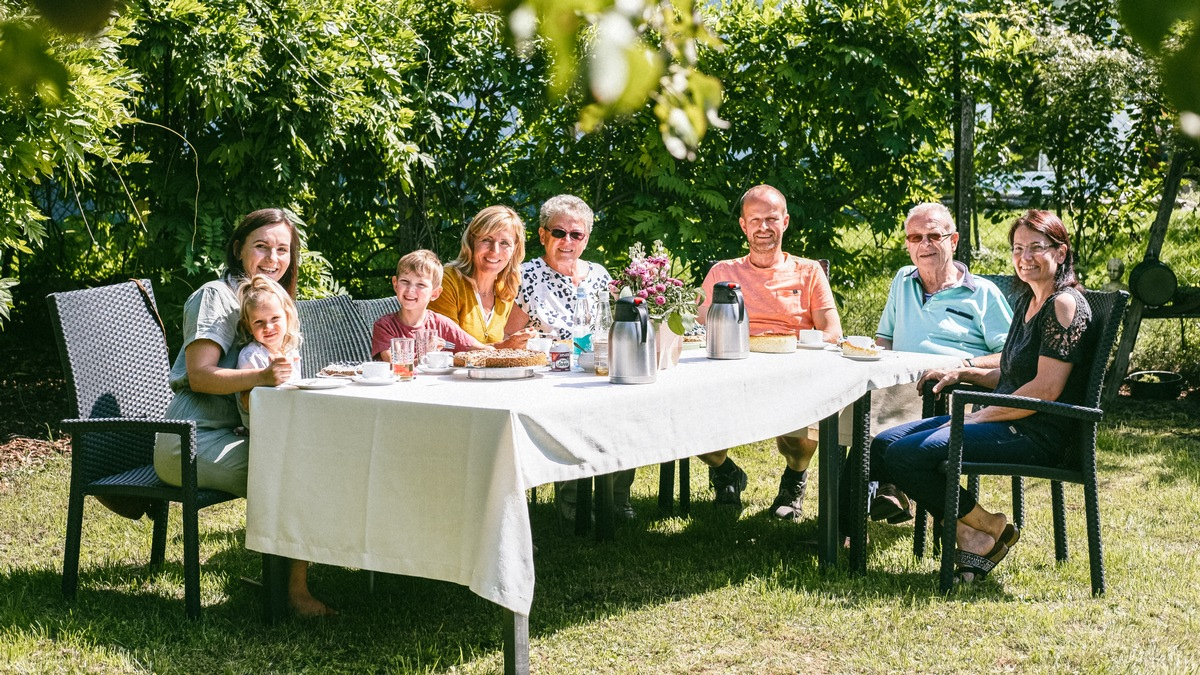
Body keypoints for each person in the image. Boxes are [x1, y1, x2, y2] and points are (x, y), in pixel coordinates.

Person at [875, 209, 1092, 583]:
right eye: (1018, 248)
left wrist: (981, 415)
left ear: (1060, 252)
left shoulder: (1063, 304)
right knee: (882, 444)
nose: (1025, 257)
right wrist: (964, 371)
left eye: (1036, 248)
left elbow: (1045, 389)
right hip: (1012, 419)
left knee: (905, 456)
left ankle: (980, 532)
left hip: (1037, 434)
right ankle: (981, 528)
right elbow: (1012, 374)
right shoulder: (1029, 301)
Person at [152, 208, 333, 617]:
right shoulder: (216, 295)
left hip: (237, 433)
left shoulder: (270, 303)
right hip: (191, 439)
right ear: (238, 249)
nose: (273, 258)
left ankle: (297, 574)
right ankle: (292, 592)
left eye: (282, 249)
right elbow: (199, 376)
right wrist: (262, 378)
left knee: (322, 454)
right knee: (298, 468)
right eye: (262, 246)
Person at [696, 184, 842, 520]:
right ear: (743, 226)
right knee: (693, 428)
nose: (764, 227)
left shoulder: (808, 271)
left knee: (798, 442)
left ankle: (793, 480)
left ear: (786, 222)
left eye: (772, 219)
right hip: (728, 374)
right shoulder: (722, 273)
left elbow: (833, 332)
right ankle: (726, 471)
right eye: (756, 219)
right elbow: (697, 329)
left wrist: (798, 349)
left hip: (791, 375)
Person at [865, 202, 1013, 523]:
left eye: (934, 235)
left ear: (954, 240)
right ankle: (882, 494)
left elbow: (1010, 357)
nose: (925, 245)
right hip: (896, 387)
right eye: (915, 237)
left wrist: (961, 366)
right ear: (907, 244)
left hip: (948, 395)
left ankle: (850, 524)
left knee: (870, 418)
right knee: (854, 406)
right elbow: (884, 340)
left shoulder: (983, 293)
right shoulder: (902, 280)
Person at [504, 194, 636, 521]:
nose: (567, 241)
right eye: (559, 233)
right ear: (542, 235)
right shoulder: (525, 276)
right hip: (551, 378)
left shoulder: (600, 275)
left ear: (586, 239)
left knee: (631, 406)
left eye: (576, 234)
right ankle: (573, 496)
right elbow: (508, 339)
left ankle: (618, 494)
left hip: (599, 370)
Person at [429, 205, 536, 348]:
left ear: (515, 249)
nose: (495, 250)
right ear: (472, 241)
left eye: (504, 243)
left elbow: (491, 345)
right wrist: (504, 346)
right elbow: (447, 346)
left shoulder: (506, 290)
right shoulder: (448, 280)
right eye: (487, 240)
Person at [371, 249, 491, 361]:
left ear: (435, 293)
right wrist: (428, 356)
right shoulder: (385, 326)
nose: (410, 290)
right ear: (395, 284)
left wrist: (496, 352)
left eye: (421, 285)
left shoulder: (442, 324)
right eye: (405, 281)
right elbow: (396, 365)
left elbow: (481, 350)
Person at [234, 274, 303, 428]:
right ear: (248, 326)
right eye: (259, 322)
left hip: (289, 420)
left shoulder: (291, 352)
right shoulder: (252, 355)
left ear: (287, 317)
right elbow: (246, 402)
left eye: (275, 318)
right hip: (264, 428)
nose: (268, 327)